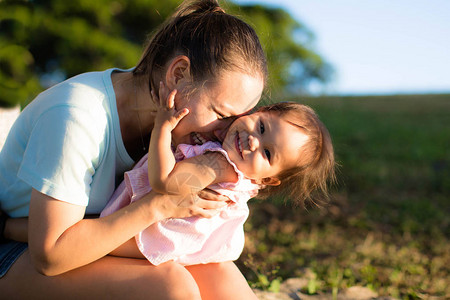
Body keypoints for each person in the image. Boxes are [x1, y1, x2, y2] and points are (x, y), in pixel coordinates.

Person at [0, 0, 268, 299]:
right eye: (221, 114)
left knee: (218, 273)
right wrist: (158, 205)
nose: (224, 132)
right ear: (177, 74)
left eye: (235, 119)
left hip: (101, 241)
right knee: (170, 285)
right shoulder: (76, 115)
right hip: (19, 251)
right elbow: (50, 255)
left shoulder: (179, 132)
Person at [101, 84, 336, 267]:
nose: (253, 140)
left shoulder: (219, 164)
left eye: (267, 153)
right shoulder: (237, 165)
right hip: (171, 241)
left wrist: (163, 128)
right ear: (259, 111)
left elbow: (165, 182)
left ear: (267, 180)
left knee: (102, 244)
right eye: (262, 127)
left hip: (144, 237)